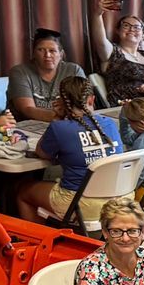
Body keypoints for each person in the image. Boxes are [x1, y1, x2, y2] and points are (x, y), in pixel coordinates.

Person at [19, 77, 123, 223]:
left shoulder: (59, 128)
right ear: (91, 100)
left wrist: (56, 118)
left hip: (82, 203)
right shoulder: (110, 124)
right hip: (118, 198)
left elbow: (42, 152)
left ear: (62, 101)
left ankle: (40, 241)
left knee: (24, 191)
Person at [89, 0, 144, 103]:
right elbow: (100, 40)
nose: (131, 29)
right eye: (126, 26)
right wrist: (98, 14)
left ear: (143, 35)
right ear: (118, 31)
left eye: (137, 27)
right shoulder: (113, 52)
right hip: (125, 108)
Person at [7, 28, 88, 122]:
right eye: (41, 50)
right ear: (33, 53)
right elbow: (27, 109)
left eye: (52, 50)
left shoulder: (73, 71)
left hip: (66, 123)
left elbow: (83, 103)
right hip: (29, 126)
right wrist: (58, 117)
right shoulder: (19, 72)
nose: (47, 55)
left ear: (61, 54)